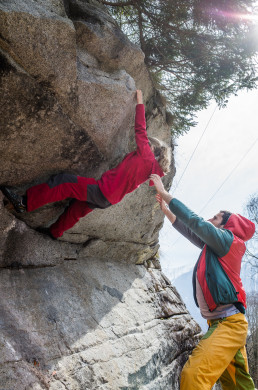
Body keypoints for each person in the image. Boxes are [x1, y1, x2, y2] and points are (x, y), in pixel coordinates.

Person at [1, 90, 170, 239]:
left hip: (101, 190)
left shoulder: (147, 156)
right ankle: (54, 233)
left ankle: (24, 203)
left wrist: (140, 102)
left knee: (64, 182)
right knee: (75, 210)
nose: (145, 144)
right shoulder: (150, 171)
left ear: (153, 149)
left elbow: (140, 130)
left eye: (149, 144)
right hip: (107, 200)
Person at [150, 173, 255, 390]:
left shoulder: (228, 241)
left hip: (228, 324)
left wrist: (165, 193)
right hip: (226, 323)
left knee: (193, 376)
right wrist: (167, 212)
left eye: (216, 218)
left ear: (227, 226)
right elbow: (193, 233)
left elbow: (196, 223)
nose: (210, 219)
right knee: (238, 384)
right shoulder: (217, 248)